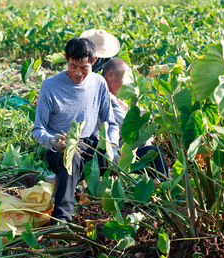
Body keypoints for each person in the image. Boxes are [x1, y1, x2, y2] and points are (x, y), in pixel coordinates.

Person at [32, 38, 119, 224]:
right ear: (65, 59)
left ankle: (164, 190)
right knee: (71, 161)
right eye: (73, 66)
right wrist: (53, 141)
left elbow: (110, 122)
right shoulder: (50, 86)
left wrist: (112, 144)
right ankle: (61, 220)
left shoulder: (98, 83)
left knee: (141, 155)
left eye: (84, 68)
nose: (78, 73)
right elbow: (38, 129)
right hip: (61, 147)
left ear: (94, 61)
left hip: (91, 144)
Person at [101, 58, 171, 179]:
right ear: (110, 76)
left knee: (152, 153)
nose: (127, 85)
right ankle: (168, 191)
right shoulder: (104, 95)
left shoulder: (114, 97)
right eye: (125, 80)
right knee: (154, 154)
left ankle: (162, 188)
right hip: (106, 153)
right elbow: (127, 126)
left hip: (118, 149)